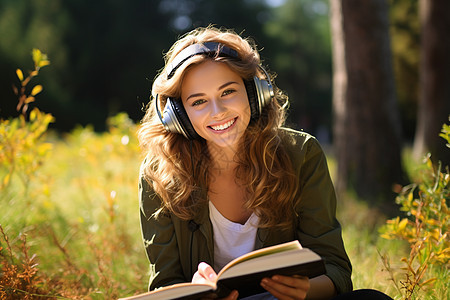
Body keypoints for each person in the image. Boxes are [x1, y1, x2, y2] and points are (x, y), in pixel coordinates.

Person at [138, 26, 392, 300]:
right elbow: (164, 284)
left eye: (228, 92)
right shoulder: (159, 176)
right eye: (198, 101)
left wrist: (308, 290)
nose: (217, 111)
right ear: (178, 116)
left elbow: (336, 268)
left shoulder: (302, 154)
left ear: (256, 92)